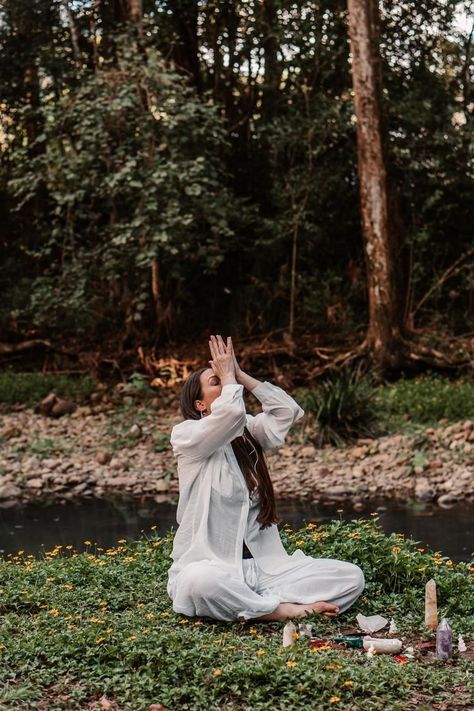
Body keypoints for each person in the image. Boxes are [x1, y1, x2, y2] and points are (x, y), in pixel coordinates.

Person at [166, 334, 365, 622]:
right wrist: (228, 378)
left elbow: (287, 412)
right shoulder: (186, 437)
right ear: (200, 405)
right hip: (216, 568)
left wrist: (239, 374)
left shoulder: (248, 431)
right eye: (216, 381)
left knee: (351, 577)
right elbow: (230, 414)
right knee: (198, 583)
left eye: (225, 378)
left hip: (266, 572)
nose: (225, 381)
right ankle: (279, 611)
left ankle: (251, 604)